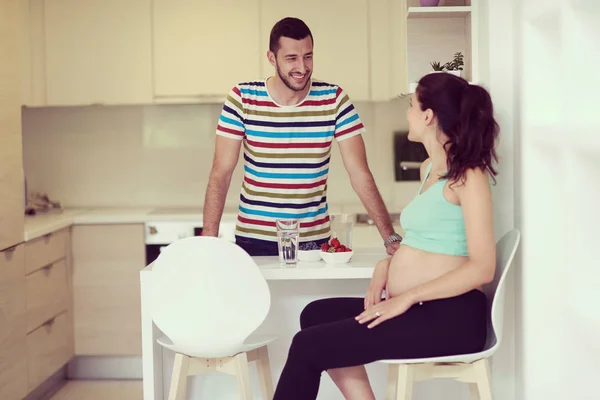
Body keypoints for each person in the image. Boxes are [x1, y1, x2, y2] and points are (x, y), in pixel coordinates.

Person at [272, 72, 500, 400]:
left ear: (428, 116)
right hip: (424, 308)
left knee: (308, 346)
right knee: (316, 314)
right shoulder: (429, 170)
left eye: (411, 105)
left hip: (453, 317)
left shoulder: (469, 177)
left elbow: (482, 268)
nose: (407, 113)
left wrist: (406, 296)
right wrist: (386, 266)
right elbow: (430, 240)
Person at [201, 17, 402, 256]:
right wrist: (208, 241)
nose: (302, 67)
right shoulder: (242, 98)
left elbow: (359, 172)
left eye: (308, 56)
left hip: (312, 242)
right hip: (254, 240)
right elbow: (221, 173)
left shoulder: (334, 99)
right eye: (291, 58)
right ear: (271, 58)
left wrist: (389, 235)